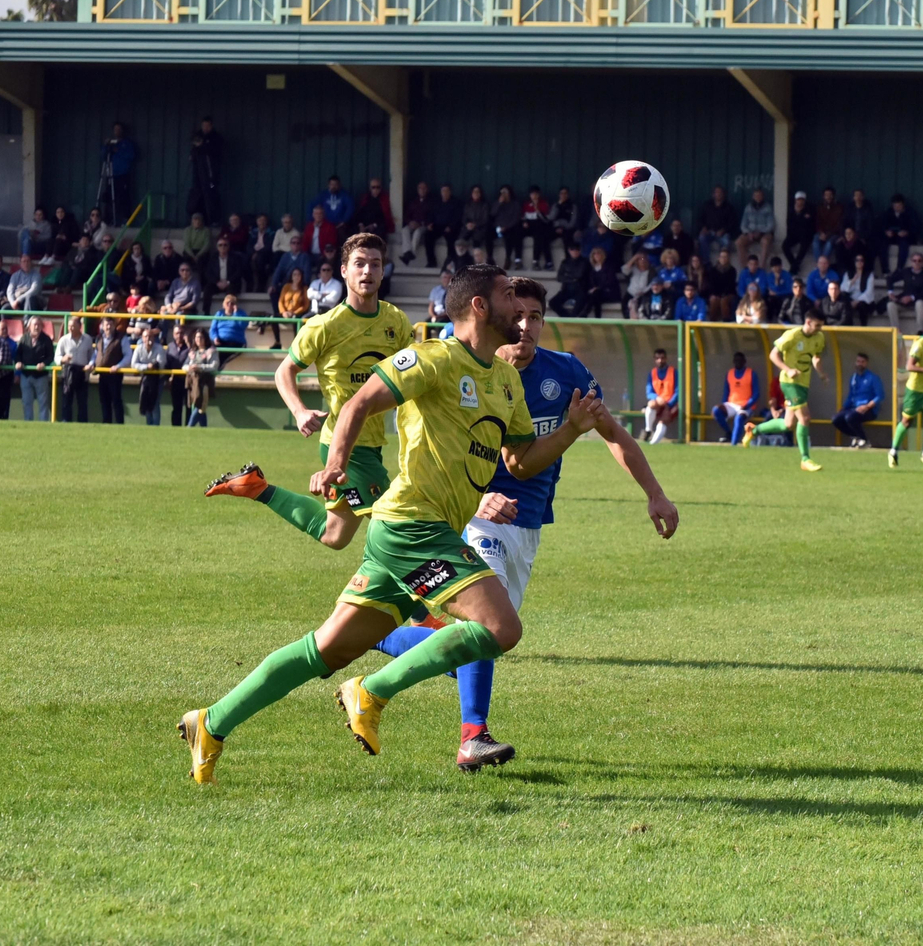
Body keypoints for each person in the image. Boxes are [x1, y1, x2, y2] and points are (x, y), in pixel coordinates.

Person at [177, 264, 606, 781]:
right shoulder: (435, 358)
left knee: (326, 649)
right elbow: (360, 402)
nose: (521, 311)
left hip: (413, 533)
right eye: (509, 298)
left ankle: (212, 721)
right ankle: (371, 691)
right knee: (499, 627)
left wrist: (571, 431)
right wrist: (335, 463)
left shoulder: (507, 380)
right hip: (412, 524)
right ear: (479, 306)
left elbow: (519, 463)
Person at [358, 276, 677, 769]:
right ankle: (473, 737)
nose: (525, 326)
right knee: (492, 622)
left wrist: (655, 494)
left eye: (536, 318)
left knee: (479, 642)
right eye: (518, 314)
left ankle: (376, 634)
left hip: (527, 523)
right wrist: (480, 497)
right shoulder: (462, 366)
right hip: (474, 519)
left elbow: (612, 432)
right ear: (498, 315)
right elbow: (431, 443)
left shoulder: (565, 372)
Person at [744, 309, 827, 471]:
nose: (820, 329)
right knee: (805, 418)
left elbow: (816, 357)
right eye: (817, 325)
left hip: (803, 384)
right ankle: (805, 459)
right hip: (789, 383)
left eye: (821, 326)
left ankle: (754, 430)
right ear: (808, 322)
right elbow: (773, 355)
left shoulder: (819, 338)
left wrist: (821, 373)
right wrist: (788, 369)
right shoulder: (792, 336)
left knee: (788, 424)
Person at [889, 317, 923, 469]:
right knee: (906, 422)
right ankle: (893, 451)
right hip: (914, 390)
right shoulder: (920, 344)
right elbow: (909, 366)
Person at [832, 352, 883, 447]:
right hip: (854, 409)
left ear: (866, 363)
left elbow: (879, 396)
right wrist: (843, 408)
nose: (860, 364)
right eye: (858, 361)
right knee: (836, 419)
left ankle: (864, 440)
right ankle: (856, 437)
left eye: (862, 362)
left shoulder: (873, 378)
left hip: (869, 410)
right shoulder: (853, 378)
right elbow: (851, 396)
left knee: (850, 417)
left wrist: (867, 406)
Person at [711, 350, 760, 444]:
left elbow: (756, 394)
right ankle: (729, 433)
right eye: (736, 360)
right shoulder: (729, 374)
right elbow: (726, 392)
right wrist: (723, 405)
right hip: (731, 404)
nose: (738, 362)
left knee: (739, 418)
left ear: (744, 361)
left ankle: (734, 444)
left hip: (746, 405)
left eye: (740, 360)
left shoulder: (751, 374)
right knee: (716, 410)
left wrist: (748, 405)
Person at [54, 316, 94, 423]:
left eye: (73, 326)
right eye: (69, 326)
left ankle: (83, 423)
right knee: (67, 399)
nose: (70, 328)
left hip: (83, 372)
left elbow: (92, 356)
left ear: (80, 327)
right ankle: (66, 421)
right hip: (68, 372)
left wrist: (90, 364)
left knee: (82, 401)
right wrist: (63, 359)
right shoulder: (63, 340)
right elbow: (56, 357)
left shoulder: (88, 339)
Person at [99, 121, 138, 225]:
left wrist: (118, 151)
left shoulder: (127, 143)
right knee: (108, 197)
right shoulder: (111, 143)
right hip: (111, 174)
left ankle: (126, 219)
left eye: (119, 129)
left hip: (123, 175)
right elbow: (103, 156)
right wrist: (106, 146)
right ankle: (108, 219)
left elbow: (131, 156)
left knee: (123, 197)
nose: (117, 131)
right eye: (115, 129)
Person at [14, 318, 53, 421]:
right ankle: (28, 423)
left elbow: (50, 356)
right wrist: (18, 362)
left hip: (41, 376)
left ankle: (43, 424)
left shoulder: (46, 339)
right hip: (26, 375)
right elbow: (18, 354)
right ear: (29, 326)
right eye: (35, 325)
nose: (36, 327)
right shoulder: (24, 338)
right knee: (27, 402)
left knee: (43, 402)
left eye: (39, 325)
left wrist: (44, 363)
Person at [187, 116, 223, 224]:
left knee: (210, 194)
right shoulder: (198, 136)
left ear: (211, 126)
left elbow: (214, 152)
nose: (205, 128)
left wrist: (202, 146)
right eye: (203, 126)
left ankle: (212, 220)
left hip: (210, 175)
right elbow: (194, 151)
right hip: (197, 173)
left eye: (207, 126)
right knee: (196, 194)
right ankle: (195, 220)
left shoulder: (215, 138)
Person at [886, 252, 923, 333]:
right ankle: (896, 331)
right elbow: (890, 279)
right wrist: (890, 292)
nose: (917, 263)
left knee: (920, 303)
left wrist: (911, 298)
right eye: (914, 260)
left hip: (920, 300)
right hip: (905, 302)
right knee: (890, 305)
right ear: (911, 262)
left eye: (919, 261)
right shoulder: (906, 271)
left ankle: (920, 331)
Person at [131, 322, 166, 424]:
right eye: (146, 337)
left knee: (155, 403)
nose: (148, 339)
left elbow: (161, 363)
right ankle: (149, 425)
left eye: (150, 336)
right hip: (145, 379)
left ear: (154, 338)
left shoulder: (159, 348)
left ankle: (155, 425)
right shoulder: (138, 348)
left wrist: (152, 366)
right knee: (146, 402)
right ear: (142, 338)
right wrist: (147, 367)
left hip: (158, 379)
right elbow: (133, 364)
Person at [94, 317, 127, 423]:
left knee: (116, 400)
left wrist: (118, 366)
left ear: (114, 325)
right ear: (102, 326)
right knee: (104, 401)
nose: (108, 327)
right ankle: (106, 424)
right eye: (106, 325)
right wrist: (91, 363)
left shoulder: (122, 337)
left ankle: (119, 424)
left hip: (115, 374)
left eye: (110, 324)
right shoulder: (99, 338)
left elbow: (128, 355)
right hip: (102, 374)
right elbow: (95, 354)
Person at [644, 347, 678, 444]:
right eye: (658, 358)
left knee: (663, 421)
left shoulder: (674, 372)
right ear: (655, 360)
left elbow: (678, 392)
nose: (660, 360)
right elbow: (649, 392)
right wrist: (657, 398)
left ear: (666, 359)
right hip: (658, 403)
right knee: (651, 404)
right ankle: (648, 430)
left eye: (662, 358)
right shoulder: (652, 373)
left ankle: (653, 444)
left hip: (671, 404)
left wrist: (669, 404)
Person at [209, 292, 250, 365]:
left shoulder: (241, 313)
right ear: (224, 304)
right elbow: (213, 329)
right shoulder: (219, 314)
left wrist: (236, 313)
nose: (229, 305)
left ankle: (217, 368)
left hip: (236, 343)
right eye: (228, 303)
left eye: (232, 303)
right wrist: (215, 338)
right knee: (210, 351)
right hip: (221, 342)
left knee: (222, 356)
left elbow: (243, 325)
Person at [738, 187, 774, 267]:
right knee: (738, 242)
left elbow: (770, 225)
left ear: (763, 196)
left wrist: (760, 232)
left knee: (765, 242)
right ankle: (746, 268)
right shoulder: (748, 207)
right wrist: (748, 232)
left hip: (764, 233)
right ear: (753, 197)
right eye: (756, 195)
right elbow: (743, 225)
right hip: (750, 233)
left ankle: (761, 267)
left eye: (759, 195)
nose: (758, 197)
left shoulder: (768, 207)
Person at [164, 324, 190, 427]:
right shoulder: (170, 346)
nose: (179, 335)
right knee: (176, 407)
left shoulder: (190, 346)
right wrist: (167, 379)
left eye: (181, 333)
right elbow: (167, 364)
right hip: (175, 381)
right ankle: (176, 428)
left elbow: (195, 355)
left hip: (188, 380)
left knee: (188, 407)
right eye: (177, 333)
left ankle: (189, 427)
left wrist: (188, 344)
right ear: (173, 335)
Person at [702, 248, 737, 321]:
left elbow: (730, 285)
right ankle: (712, 322)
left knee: (723, 301)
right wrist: (716, 294)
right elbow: (711, 284)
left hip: (728, 293)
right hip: (716, 293)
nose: (723, 259)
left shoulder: (732, 270)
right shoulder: (713, 270)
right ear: (718, 258)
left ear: (728, 258)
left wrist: (723, 294)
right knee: (713, 300)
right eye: (722, 257)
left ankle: (726, 321)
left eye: (725, 257)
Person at [841, 254, 876, 325]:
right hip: (851, 298)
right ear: (854, 262)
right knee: (845, 301)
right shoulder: (848, 273)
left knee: (862, 305)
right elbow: (842, 288)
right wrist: (852, 281)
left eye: (861, 260)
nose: (859, 262)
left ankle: (863, 326)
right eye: (857, 260)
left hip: (862, 299)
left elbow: (869, 292)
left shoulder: (869, 275)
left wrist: (857, 301)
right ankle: (848, 325)